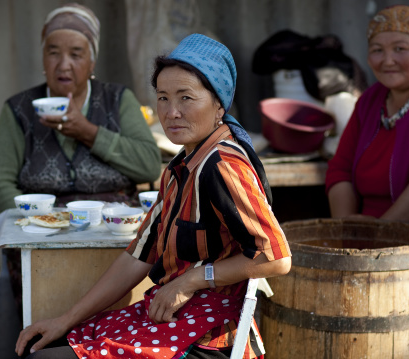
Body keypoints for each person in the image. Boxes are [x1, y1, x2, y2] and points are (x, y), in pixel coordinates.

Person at [15, 33, 292, 359]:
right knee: (46, 345)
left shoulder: (222, 165)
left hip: (206, 336)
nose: (171, 112)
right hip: (172, 317)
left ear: (219, 103)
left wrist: (189, 280)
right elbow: (139, 255)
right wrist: (65, 320)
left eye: (186, 98)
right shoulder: (181, 165)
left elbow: (275, 257)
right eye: (162, 97)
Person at [326, 5, 409, 299]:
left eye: (400, 48)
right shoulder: (371, 100)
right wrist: (346, 234)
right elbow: (340, 169)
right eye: (377, 50)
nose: (388, 61)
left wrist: (379, 236)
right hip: (368, 242)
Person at [0, 3, 161, 214]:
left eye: (76, 54)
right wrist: (35, 220)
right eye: (53, 53)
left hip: (112, 223)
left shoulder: (118, 99)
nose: (63, 65)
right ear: (43, 58)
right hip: (39, 228)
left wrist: (88, 132)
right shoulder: (18, 108)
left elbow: (150, 167)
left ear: (92, 63)